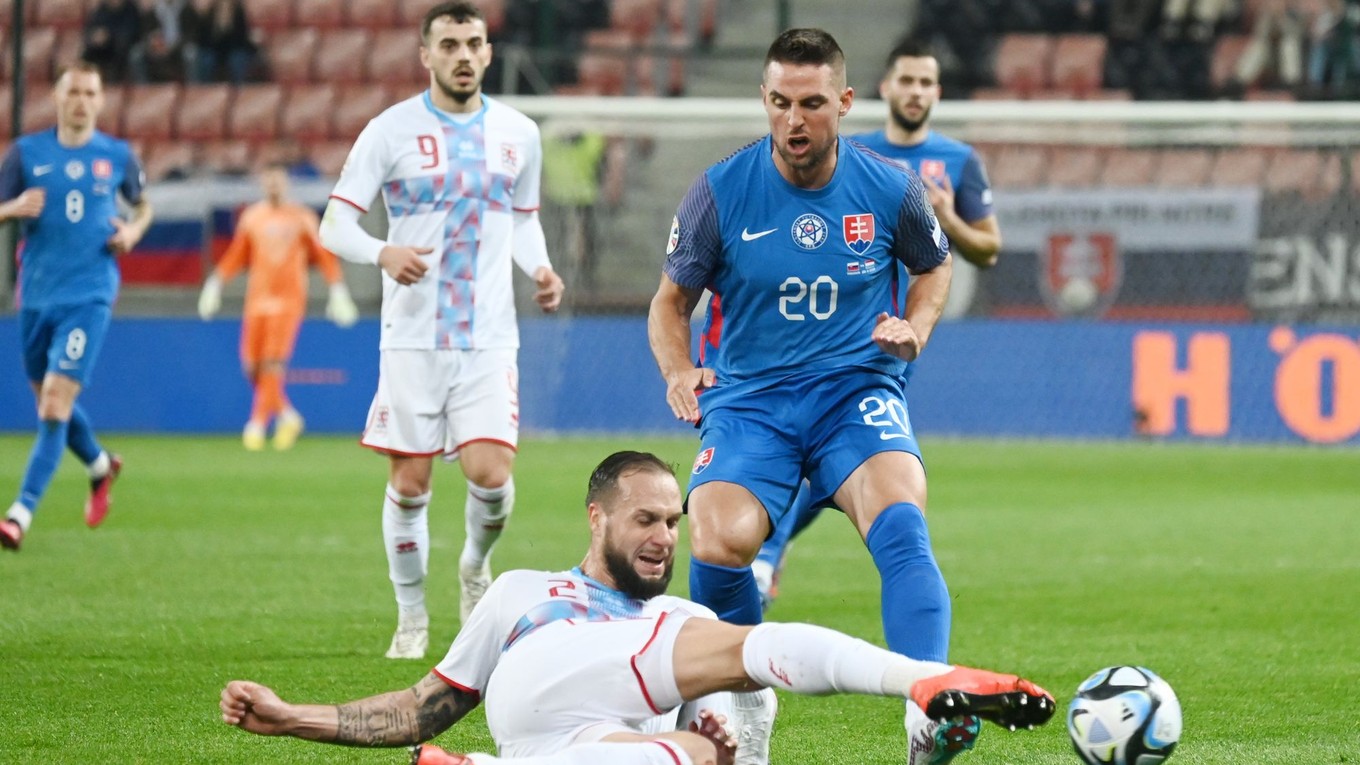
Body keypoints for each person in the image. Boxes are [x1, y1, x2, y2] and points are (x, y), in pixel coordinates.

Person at [220, 451, 1055, 765]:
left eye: (673, 522)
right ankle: (923, 677)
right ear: (598, 517)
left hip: (581, 750)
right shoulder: (526, 593)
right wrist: (303, 716)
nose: (665, 537)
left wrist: (287, 718)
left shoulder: (675, 615)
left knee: (691, 752)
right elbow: (420, 708)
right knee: (748, 646)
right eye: (647, 519)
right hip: (545, 691)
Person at [647, 28, 965, 765]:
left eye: (813, 103)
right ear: (764, 99)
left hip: (855, 389)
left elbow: (934, 266)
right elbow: (669, 303)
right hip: (752, 399)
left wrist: (915, 327)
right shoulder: (720, 191)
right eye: (781, 102)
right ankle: (751, 691)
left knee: (900, 515)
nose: (795, 120)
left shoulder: (889, 186)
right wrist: (677, 368)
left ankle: (927, 705)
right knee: (718, 537)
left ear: (845, 103)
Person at [317, 1, 565, 660]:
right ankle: (411, 616)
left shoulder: (519, 133)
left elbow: (521, 218)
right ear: (425, 55)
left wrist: (539, 268)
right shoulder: (389, 130)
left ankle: (474, 564)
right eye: (449, 43)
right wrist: (381, 252)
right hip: (412, 338)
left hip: (488, 336)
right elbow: (334, 223)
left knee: (493, 475)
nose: (462, 54)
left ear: (488, 53)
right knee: (411, 483)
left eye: (473, 43)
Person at [752, 36, 1004, 616]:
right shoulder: (847, 153)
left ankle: (770, 549)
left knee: (835, 463)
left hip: (904, 334)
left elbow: (988, 250)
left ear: (936, 93)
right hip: (837, 337)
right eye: (906, 81)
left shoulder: (959, 162)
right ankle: (766, 555)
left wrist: (947, 220)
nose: (915, 92)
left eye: (925, 83)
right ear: (883, 88)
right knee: (833, 456)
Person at [0, 62, 153, 551]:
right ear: (57, 98)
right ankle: (100, 465)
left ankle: (19, 515)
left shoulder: (116, 154)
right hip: (37, 295)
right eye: (74, 92)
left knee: (52, 404)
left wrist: (131, 231)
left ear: (101, 100)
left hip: (89, 294)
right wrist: (11, 208)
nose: (82, 101)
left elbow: (142, 204)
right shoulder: (25, 154)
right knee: (50, 399)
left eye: (90, 92)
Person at [196, 162, 359, 451]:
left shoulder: (301, 217)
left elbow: (323, 256)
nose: (273, 185)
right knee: (251, 367)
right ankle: (286, 415)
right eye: (268, 180)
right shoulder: (252, 218)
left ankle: (256, 424)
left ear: (286, 183)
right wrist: (215, 283)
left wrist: (338, 288)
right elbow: (237, 255)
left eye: (278, 180)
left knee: (273, 362)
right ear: (262, 183)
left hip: (288, 301)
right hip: (256, 301)